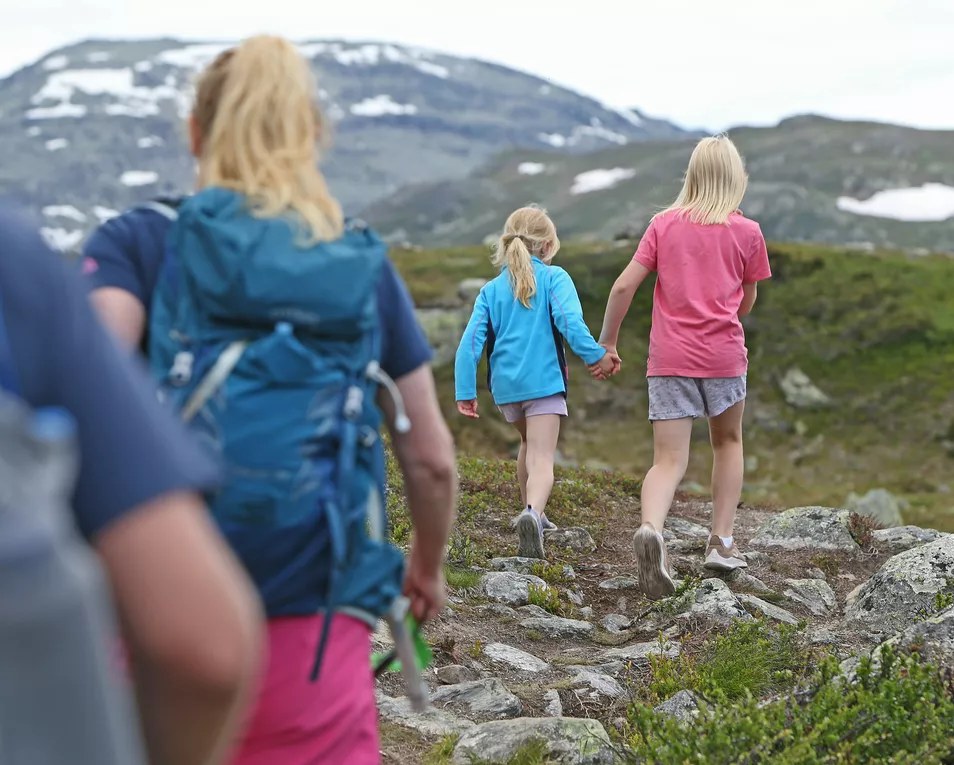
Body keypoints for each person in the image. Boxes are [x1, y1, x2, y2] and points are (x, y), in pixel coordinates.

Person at [84, 35, 457, 765]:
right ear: (312, 136)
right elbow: (432, 458)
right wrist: (426, 565)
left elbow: (78, 400)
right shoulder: (356, 261)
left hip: (155, 619)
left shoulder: (139, 242)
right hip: (315, 629)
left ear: (196, 133)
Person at [0, 205, 264, 765]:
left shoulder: (131, 236)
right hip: (320, 592)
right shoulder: (13, 261)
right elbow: (202, 649)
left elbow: (115, 337)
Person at [598, 135, 772, 600]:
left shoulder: (663, 224)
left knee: (668, 460)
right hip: (723, 358)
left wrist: (608, 342)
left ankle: (652, 530)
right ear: (737, 179)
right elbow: (748, 301)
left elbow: (621, 288)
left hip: (669, 359)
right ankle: (721, 542)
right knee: (727, 441)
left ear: (691, 176)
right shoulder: (748, 232)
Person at [454, 205, 619, 559]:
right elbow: (570, 324)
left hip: (506, 391)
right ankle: (532, 512)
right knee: (543, 457)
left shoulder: (490, 291)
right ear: (546, 246)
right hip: (543, 385)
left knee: (529, 443)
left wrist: (465, 390)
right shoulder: (555, 278)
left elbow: (469, 344)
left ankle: (533, 511)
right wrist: (597, 357)